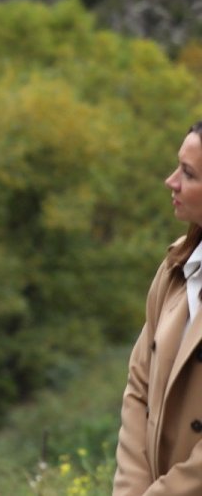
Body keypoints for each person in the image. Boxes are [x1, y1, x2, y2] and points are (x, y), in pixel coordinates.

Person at [114, 121, 202, 495]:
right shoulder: (175, 267)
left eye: (188, 173)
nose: (172, 182)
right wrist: (132, 490)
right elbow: (139, 385)